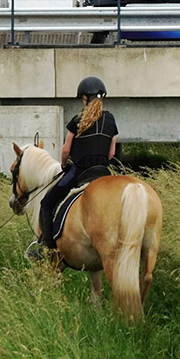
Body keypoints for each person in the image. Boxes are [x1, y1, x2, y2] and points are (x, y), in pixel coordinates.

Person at [37, 75, 118, 250]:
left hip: (80, 173)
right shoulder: (111, 119)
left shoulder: (77, 121)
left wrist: (64, 165)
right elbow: (111, 152)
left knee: (46, 203)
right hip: (103, 173)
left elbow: (66, 150)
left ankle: (48, 247)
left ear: (84, 98)